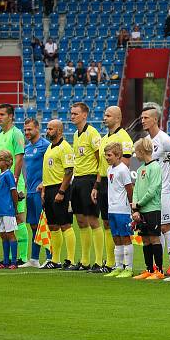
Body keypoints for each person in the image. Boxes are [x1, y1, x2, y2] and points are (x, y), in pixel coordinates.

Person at [93, 106, 134, 272]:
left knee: (117, 227)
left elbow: (125, 164)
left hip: (116, 186)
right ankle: (112, 263)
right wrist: (96, 185)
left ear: (118, 118)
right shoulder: (104, 138)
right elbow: (101, 165)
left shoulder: (124, 137)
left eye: (108, 115)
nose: (104, 118)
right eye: (104, 114)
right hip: (104, 181)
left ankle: (117, 264)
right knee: (107, 223)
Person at [141, 104, 170, 270]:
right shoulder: (147, 141)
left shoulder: (164, 139)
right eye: (142, 118)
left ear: (155, 119)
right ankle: (158, 265)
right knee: (155, 229)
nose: (143, 121)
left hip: (165, 190)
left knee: (165, 227)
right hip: (152, 192)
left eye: (146, 118)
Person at [68, 102, 103, 271]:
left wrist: (97, 183)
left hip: (89, 179)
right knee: (80, 220)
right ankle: (84, 261)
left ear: (84, 115)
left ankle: (98, 261)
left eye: (75, 113)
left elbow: (100, 159)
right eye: (71, 113)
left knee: (92, 220)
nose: (72, 116)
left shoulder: (92, 133)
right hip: (78, 180)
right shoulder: (76, 135)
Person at [39, 120, 76, 269]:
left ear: (59, 131)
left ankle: (71, 259)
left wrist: (61, 191)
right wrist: (43, 189)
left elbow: (69, 171)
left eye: (50, 129)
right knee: (53, 225)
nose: (47, 131)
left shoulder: (65, 147)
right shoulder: (49, 147)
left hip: (60, 189)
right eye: (47, 128)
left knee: (65, 224)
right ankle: (55, 260)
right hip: (48, 189)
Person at [0, 104, 29, 265]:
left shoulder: (16, 133)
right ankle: (9, 257)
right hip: (2, 183)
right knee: (5, 222)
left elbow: (19, 157)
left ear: (10, 116)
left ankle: (22, 257)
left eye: (2, 114)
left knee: (19, 219)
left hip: (14, 182)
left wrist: (15, 179)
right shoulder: (1, 135)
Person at [130, 138, 165, 280]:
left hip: (152, 208)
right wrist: (135, 208)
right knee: (145, 239)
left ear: (141, 151)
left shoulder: (155, 167)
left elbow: (153, 189)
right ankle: (149, 269)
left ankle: (159, 270)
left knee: (154, 238)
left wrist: (139, 203)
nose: (135, 155)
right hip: (141, 209)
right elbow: (136, 190)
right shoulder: (140, 169)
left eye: (136, 152)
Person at [101, 143, 135, 278]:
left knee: (125, 237)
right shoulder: (110, 169)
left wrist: (132, 206)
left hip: (123, 209)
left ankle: (129, 268)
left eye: (109, 155)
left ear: (118, 155)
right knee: (116, 237)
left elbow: (129, 189)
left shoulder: (123, 169)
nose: (107, 158)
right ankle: (119, 266)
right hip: (112, 208)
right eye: (106, 155)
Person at [20, 118, 51, 268]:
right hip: (30, 191)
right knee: (33, 225)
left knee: (43, 224)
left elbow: (52, 166)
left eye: (29, 129)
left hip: (41, 192)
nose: (27, 132)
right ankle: (34, 259)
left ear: (37, 129)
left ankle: (50, 258)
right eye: (25, 129)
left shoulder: (45, 146)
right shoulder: (27, 148)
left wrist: (44, 183)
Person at [0, 151, 19, 269]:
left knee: (10, 234)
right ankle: (6, 260)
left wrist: (15, 208)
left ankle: (14, 261)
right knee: (3, 235)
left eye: (0, 160)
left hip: (7, 209)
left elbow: (14, 192)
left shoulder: (8, 175)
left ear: (7, 162)